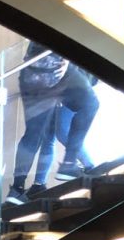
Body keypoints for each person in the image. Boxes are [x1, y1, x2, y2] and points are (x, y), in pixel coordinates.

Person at [6, 42, 99, 204]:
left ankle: (17, 190)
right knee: (90, 104)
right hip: (55, 67)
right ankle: (69, 164)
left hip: (32, 71)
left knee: (33, 135)